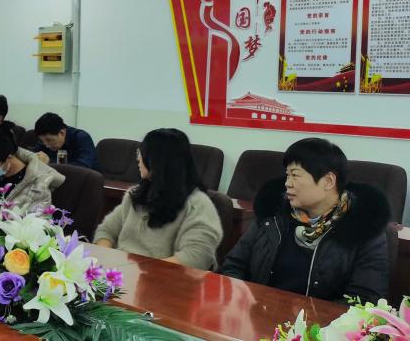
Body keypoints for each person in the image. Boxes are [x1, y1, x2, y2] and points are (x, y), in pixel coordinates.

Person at [219, 138, 389, 303]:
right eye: (287, 175)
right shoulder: (272, 215)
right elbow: (233, 265)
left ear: (328, 181)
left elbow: (364, 301)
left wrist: (308, 319)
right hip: (258, 313)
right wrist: (244, 301)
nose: (287, 183)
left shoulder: (365, 228)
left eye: (295, 175)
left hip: (320, 322)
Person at [93, 128, 222, 270]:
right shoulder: (135, 194)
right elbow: (106, 231)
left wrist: (139, 270)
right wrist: (107, 262)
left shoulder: (198, 204)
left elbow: (197, 257)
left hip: (164, 278)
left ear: (158, 161)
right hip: (123, 274)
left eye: (142, 153)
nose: (138, 159)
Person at [31, 112, 97, 169]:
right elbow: (32, 153)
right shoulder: (45, 141)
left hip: (87, 177)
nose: (47, 145)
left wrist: (48, 163)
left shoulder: (82, 137)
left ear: (62, 133)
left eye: (49, 140)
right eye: (42, 141)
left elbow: (83, 166)